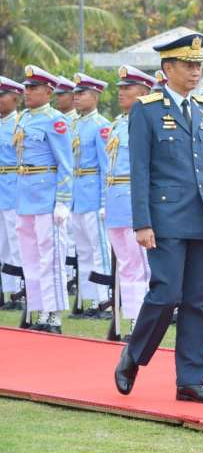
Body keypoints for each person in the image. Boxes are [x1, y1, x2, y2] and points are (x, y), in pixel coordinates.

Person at [114, 33, 203, 403]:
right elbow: (140, 170)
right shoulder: (147, 109)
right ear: (167, 68)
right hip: (165, 218)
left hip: (202, 217)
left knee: (198, 301)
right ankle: (134, 355)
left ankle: (190, 379)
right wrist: (142, 223)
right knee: (166, 292)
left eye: (198, 65)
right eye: (187, 65)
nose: (195, 71)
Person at [14, 66, 73, 333]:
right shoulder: (24, 118)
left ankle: (54, 315)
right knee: (30, 257)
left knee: (51, 257)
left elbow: (66, 164)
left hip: (47, 196)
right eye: (26, 87)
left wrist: (62, 201)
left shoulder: (55, 121)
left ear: (48, 92)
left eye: (33, 88)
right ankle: (38, 310)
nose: (27, 92)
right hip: (25, 195)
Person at [98, 66, 156, 334]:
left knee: (142, 266)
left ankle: (141, 321)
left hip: (135, 201)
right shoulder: (117, 123)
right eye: (120, 88)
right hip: (115, 201)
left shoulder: (149, 121)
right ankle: (132, 319)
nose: (121, 92)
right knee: (126, 266)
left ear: (143, 91)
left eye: (127, 88)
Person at [70, 73, 112, 315]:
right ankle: (89, 300)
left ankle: (104, 300)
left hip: (94, 194)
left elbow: (106, 166)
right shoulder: (74, 124)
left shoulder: (101, 126)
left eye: (81, 93)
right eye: (75, 93)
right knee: (83, 250)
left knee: (100, 250)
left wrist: (105, 201)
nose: (76, 98)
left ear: (95, 97)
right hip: (77, 195)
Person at [0, 77, 24, 308]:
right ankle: (7, 291)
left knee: (16, 242)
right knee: (3, 243)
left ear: (15, 98)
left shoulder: (20, 124)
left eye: (2, 96)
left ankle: (18, 292)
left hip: (15, 187)